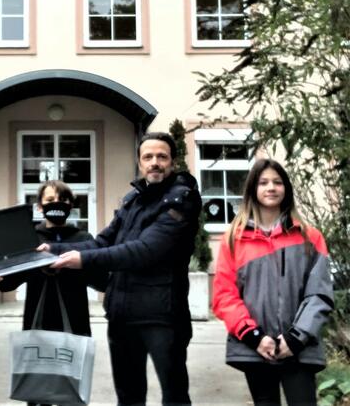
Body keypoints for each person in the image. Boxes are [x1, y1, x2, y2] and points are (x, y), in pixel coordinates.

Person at [47, 132, 201, 406]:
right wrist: (54, 250)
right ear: (140, 163)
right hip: (122, 315)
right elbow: (102, 241)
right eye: (148, 157)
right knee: (128, 398)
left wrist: (82, 261)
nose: (155, 163)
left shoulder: (182, 200)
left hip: (162, 317)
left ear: (173, 162)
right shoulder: (132, 200)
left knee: (174, 396)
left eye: (162, 157)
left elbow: (145, 251)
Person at [212, 159, 333, 406]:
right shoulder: (234, 239)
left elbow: (319, 295)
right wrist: (255, 337)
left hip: (299, 348)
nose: (271, 188)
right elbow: (225, 295)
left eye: (277, 182)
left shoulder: (310, 238)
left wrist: (295, 338)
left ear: (286, 188)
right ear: (252, 189)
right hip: (256, 347)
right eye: (263, 182)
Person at [0, 178, 107, 340]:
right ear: (40, 207)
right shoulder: (30, 239)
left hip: (75, 321)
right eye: (50, 200)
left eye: (62, 200)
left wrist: (75, 265)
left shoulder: (83, 239)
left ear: (70, 206)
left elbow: (101, 282)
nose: (57, 203)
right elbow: (6, 283)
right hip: (38, 319)